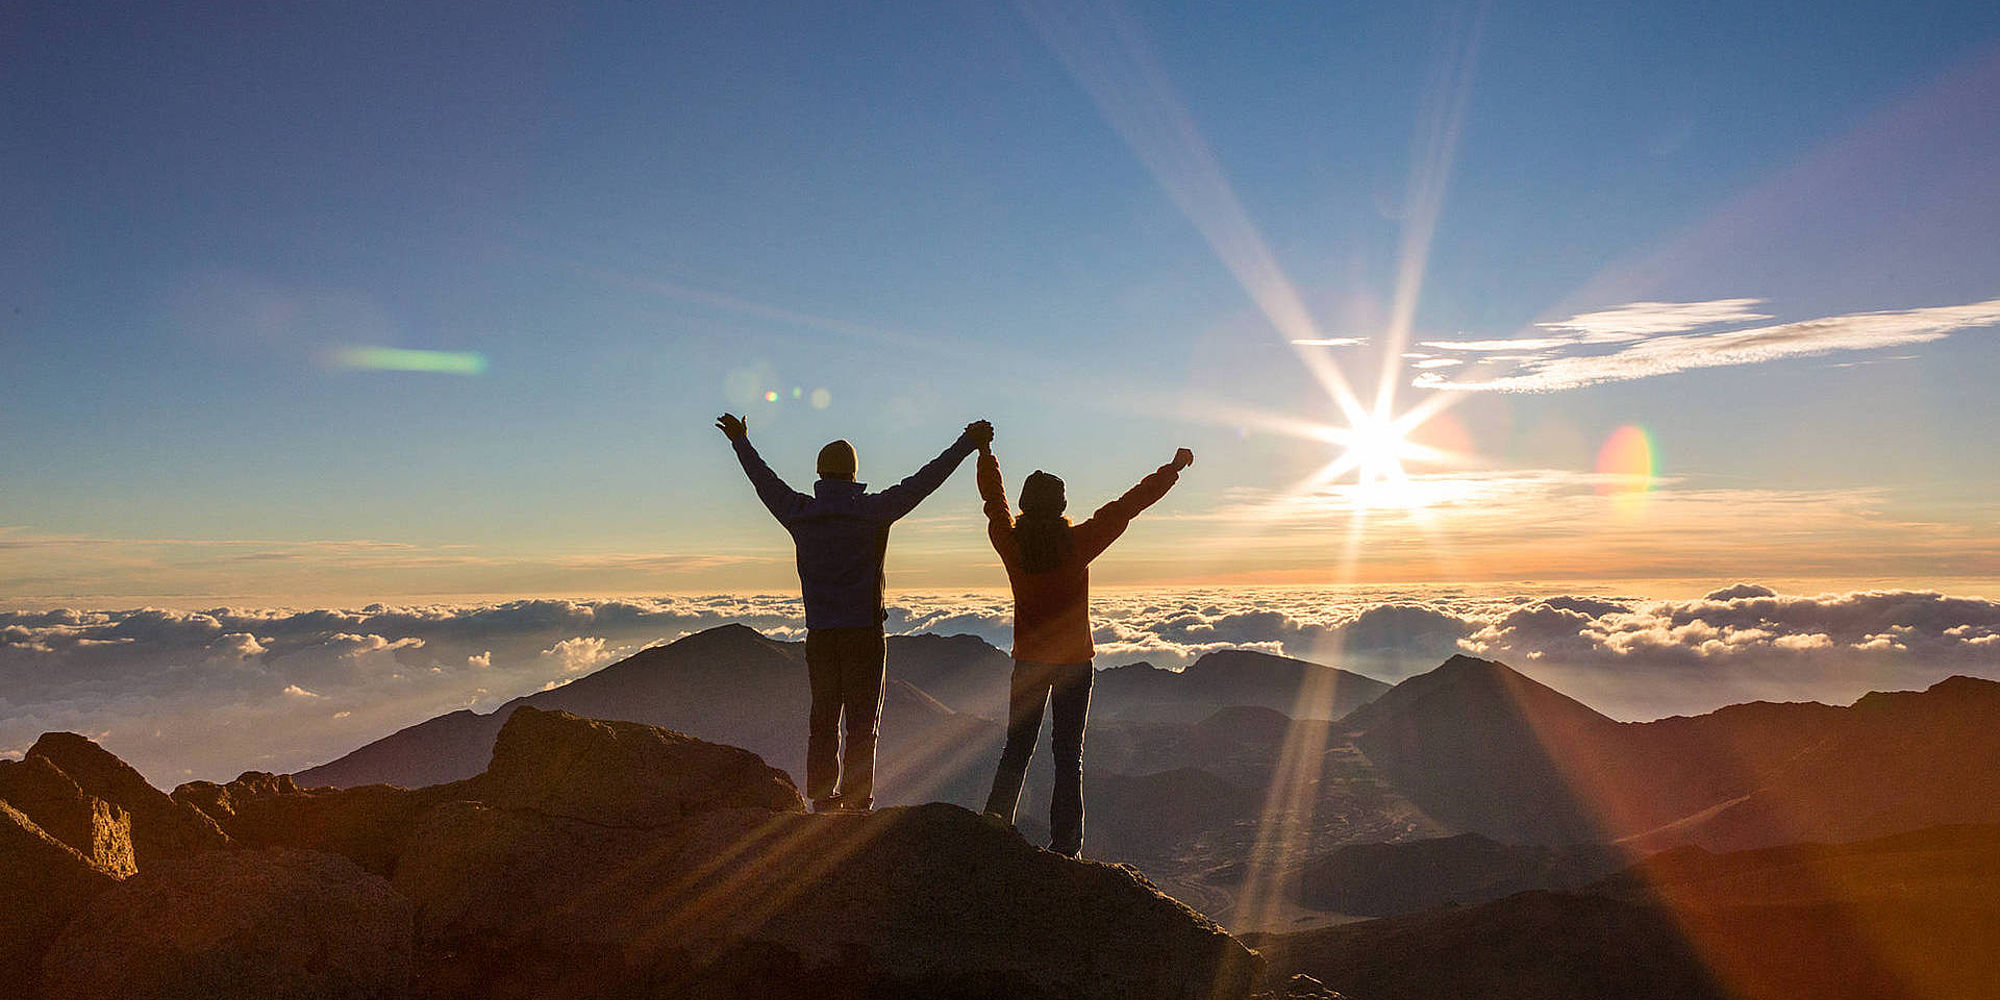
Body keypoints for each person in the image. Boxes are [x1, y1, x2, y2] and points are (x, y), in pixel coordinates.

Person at [716, 412, 993, 813]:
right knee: (863, 723)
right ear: (852, 474)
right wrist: (967, 443)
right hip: (864, 633)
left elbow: (764, 482)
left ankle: (823, 798)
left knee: (823, 717)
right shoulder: (874, 511)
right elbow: (925, 480)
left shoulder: (799, 512)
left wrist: (740, 440)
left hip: (822, 635)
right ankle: (858, 797)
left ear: (819, 473)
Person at [978, 441, 1192, 856]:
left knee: (1017, 748)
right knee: (1067, 754)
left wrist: (986, 454)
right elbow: (1129, 505)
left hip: (1028, 662)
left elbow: (993, 501)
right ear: (1061, 506)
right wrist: (1173, 468)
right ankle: (1067, 846)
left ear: (1026, 505)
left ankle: (993, 827)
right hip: (1075, 664)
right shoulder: (1078, 544)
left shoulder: (1011, 544)